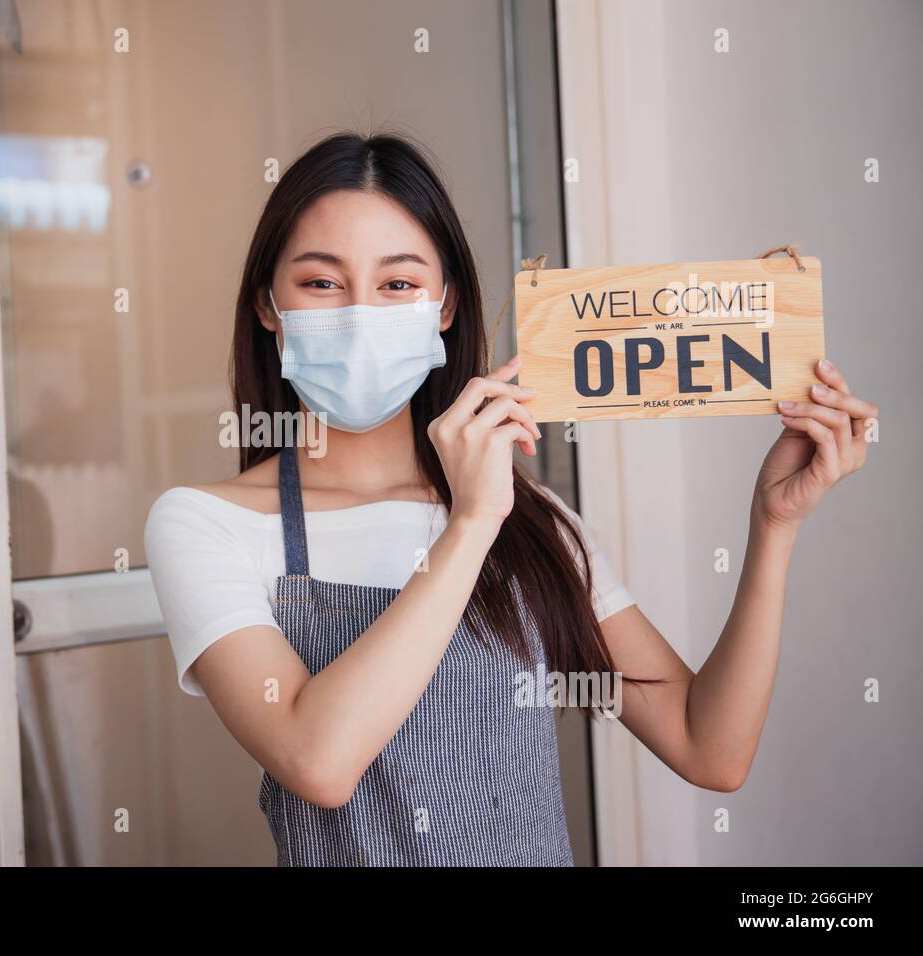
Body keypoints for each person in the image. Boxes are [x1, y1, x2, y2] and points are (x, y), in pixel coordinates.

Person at [143, 131, 878, 867]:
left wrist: (773, 525)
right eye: (322, 283)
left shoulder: (533, 521)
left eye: (397, 284)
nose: (361, 312)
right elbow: (318, 762)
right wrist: (469, 524)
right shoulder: (205, 523)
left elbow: (708, 748)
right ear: (269, 307)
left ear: (445, 306)